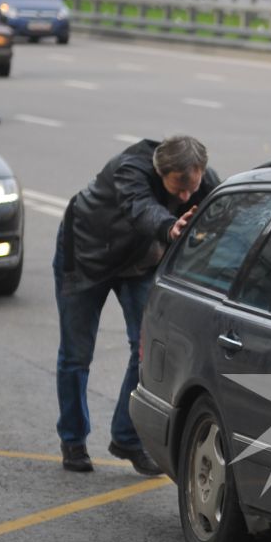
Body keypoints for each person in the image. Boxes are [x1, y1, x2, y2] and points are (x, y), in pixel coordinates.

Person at [55, 136, 220, 475]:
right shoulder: (130, 169)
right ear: (160, 171)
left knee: (146, 347)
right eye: (178, 188)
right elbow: (140, 208)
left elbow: (225, 216)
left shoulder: (198, 178)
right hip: (87, 258)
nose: (186, 197)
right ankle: (73, 439)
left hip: (139, 263)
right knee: (77, 354)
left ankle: (126, 439)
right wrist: (168, 225)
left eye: (193, 187)